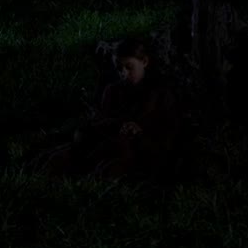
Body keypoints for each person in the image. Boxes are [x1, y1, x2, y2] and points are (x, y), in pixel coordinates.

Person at [31, 38, 181, 179]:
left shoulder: (160, 93)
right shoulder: (113, 91)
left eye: (129, 67)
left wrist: (139, 131)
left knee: (108, 167)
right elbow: (101, 121)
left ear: (144, 62)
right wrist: (118, 125)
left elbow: (166, 129)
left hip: (136, 149)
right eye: (120, 68)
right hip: (105, 142)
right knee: (56, 158)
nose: (124, 73)